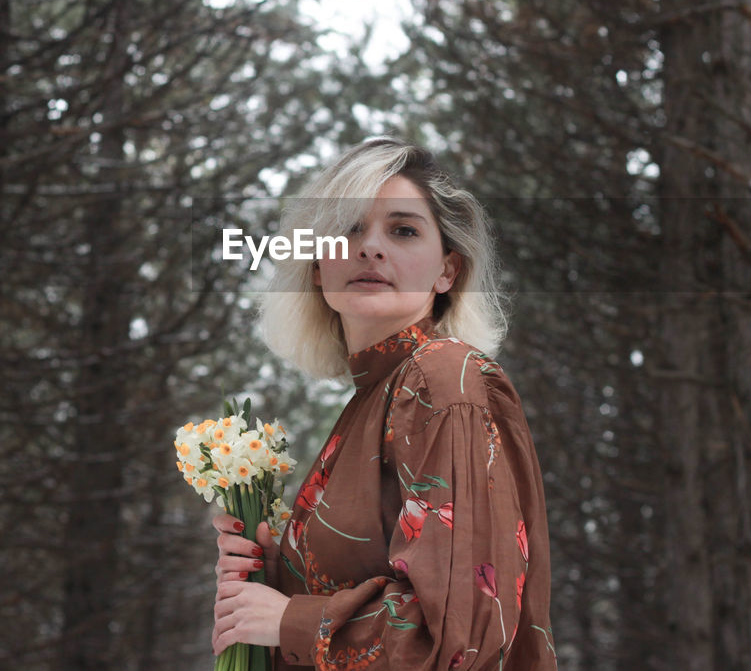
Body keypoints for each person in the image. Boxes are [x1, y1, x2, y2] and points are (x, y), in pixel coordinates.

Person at [211, 137, 556, 669]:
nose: (370, 247)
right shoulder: (377, 395)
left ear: (448, 271)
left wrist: (288, 621)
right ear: (317, 266)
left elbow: (459, 631)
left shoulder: (440, 378)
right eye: (348, 228)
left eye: (403, 230)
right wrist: (262, 568)